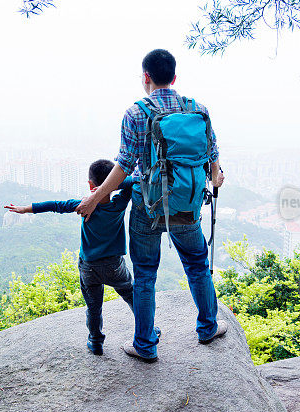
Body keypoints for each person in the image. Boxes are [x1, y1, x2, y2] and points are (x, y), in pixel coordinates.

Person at [75, 49, 226, 362]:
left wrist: (95, 196)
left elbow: (124, 166)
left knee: (144, 276)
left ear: (146, 77)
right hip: (185, 203)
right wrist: (215, 176)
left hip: (148, 206)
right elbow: (213, 156)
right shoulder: (197, 109)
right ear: (174, 77)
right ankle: (208, 326)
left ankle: (145, 346)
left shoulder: (136, 113)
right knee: (198, 266)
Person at [4, 159, 139, 356]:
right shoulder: (119, 204)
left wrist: (25, 208)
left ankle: (95, 342)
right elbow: (133, 181)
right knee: (131, 295)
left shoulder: (81, 206)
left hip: (89, 267)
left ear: (90, 184)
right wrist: (115, 183)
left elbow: (54, 205)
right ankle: (146, 329)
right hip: (114, 266)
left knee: (94, 308)